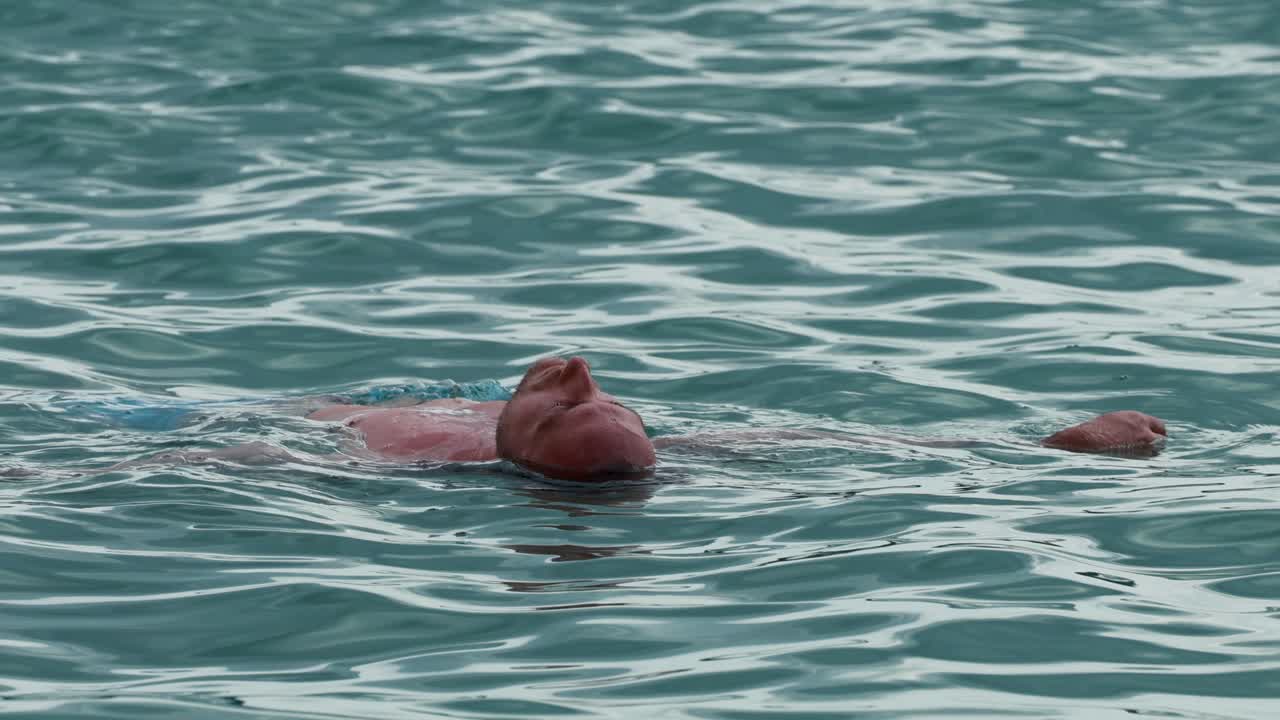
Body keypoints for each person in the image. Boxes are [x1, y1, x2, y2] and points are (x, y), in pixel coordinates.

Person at [301, 356, 1168, 481]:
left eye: (568, 400)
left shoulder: (407, 461)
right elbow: (872, 444)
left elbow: (225, 462)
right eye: (598, 397)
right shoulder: (693, 447)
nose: (581, 372)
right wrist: (1056, 447)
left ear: (515, 442)